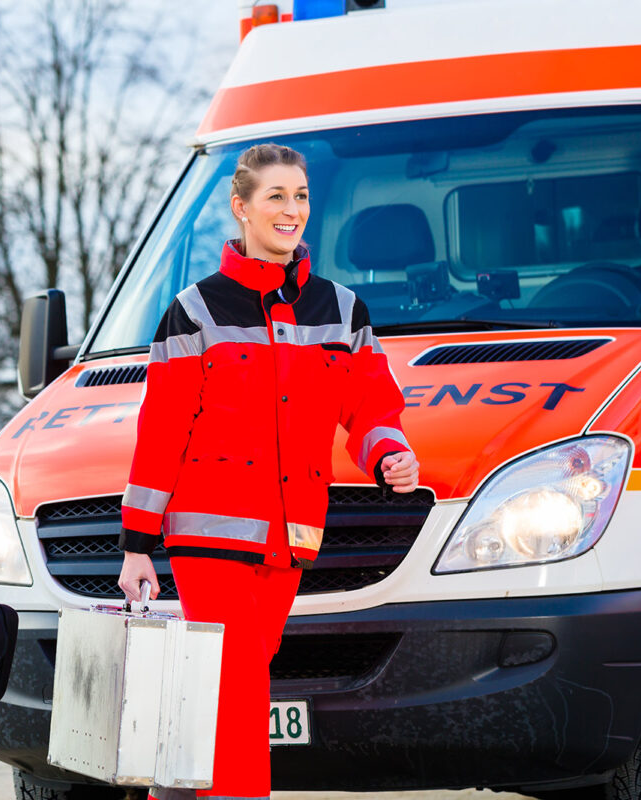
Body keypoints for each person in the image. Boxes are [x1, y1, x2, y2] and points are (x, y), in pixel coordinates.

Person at [117, 143, 419, 800]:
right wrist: (137, 542)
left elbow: (371, 404)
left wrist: (387, 452)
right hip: (208, 539)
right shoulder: (195, 312)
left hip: (290, 540)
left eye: (301, 196)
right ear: (241, 208)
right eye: (275, 196)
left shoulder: (342, 312)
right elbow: (162, 427)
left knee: (224, 697)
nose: (291, 210)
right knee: (238, 696)